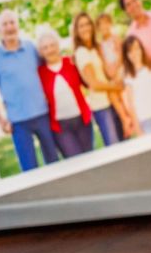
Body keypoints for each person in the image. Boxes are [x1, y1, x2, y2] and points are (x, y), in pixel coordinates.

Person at [0, 9, 60, 171]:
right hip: (18, 122)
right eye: (5, 24)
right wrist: (0, 118)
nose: (9, 27)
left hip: (42, 114)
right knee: (29, 168)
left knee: (53, 161)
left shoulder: (31, 48)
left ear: (18, 25)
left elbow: (48, 70)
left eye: (12, 22)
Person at [35, 25, 94, 158]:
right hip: (61, 127)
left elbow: (87, 82)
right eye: (45, 47)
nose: (50, 50)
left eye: (52, 45)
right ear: (41, 52)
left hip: (82, 120)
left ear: (58, 45)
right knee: (74, 160)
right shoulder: (40, 73)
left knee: (90, 158)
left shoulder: (71, 62)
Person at [71, 13, 128, 145]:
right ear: (76, 31)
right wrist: (117, 86)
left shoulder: (96, 48)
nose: (85, 28)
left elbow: (108, 72)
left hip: (113, 101)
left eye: (87, 24)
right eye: (81, 26)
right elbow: (94, 84)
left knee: (125, 143)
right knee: (114, 146)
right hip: (102, 107)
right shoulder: (82, 52)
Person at [96, 13, 124, 80]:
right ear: (98, 28)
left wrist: (116, 69)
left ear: (110, 24)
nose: (104, 26)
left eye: (106, 23)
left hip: (119, 70)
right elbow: (103, 60)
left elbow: (121, 55)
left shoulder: (115, 38)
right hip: (109, 73)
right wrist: (108, 72)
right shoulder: (100, 45)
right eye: (101, 24)